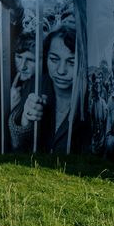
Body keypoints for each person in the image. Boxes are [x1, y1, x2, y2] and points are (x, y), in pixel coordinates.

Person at [10, 25, 87, 154]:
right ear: (45, 58)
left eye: (72, 62)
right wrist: (25, 119)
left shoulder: (91, 98)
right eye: (54, 59)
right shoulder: (36, 84)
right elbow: (17, 146)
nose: (61, 70)